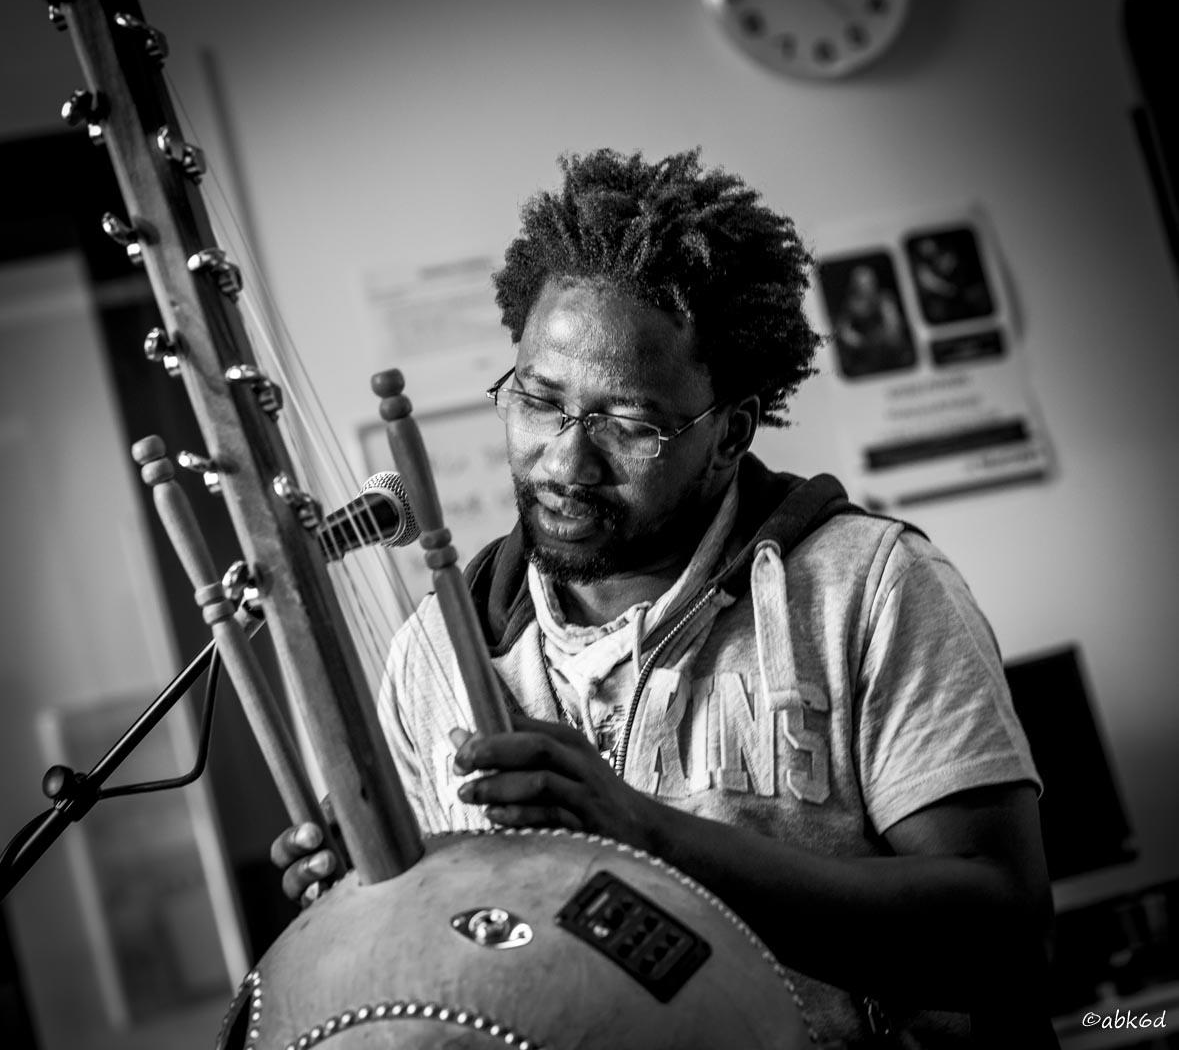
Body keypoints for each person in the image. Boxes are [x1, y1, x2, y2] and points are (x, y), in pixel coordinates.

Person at [273, 149, 1054, 1047]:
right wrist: (377, 888)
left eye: (630, 425)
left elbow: (1006, 940)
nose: (565, 462)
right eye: (538, 400)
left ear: (730, 433)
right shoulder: (437, 654)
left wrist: (647, 832)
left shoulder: (871, 588)